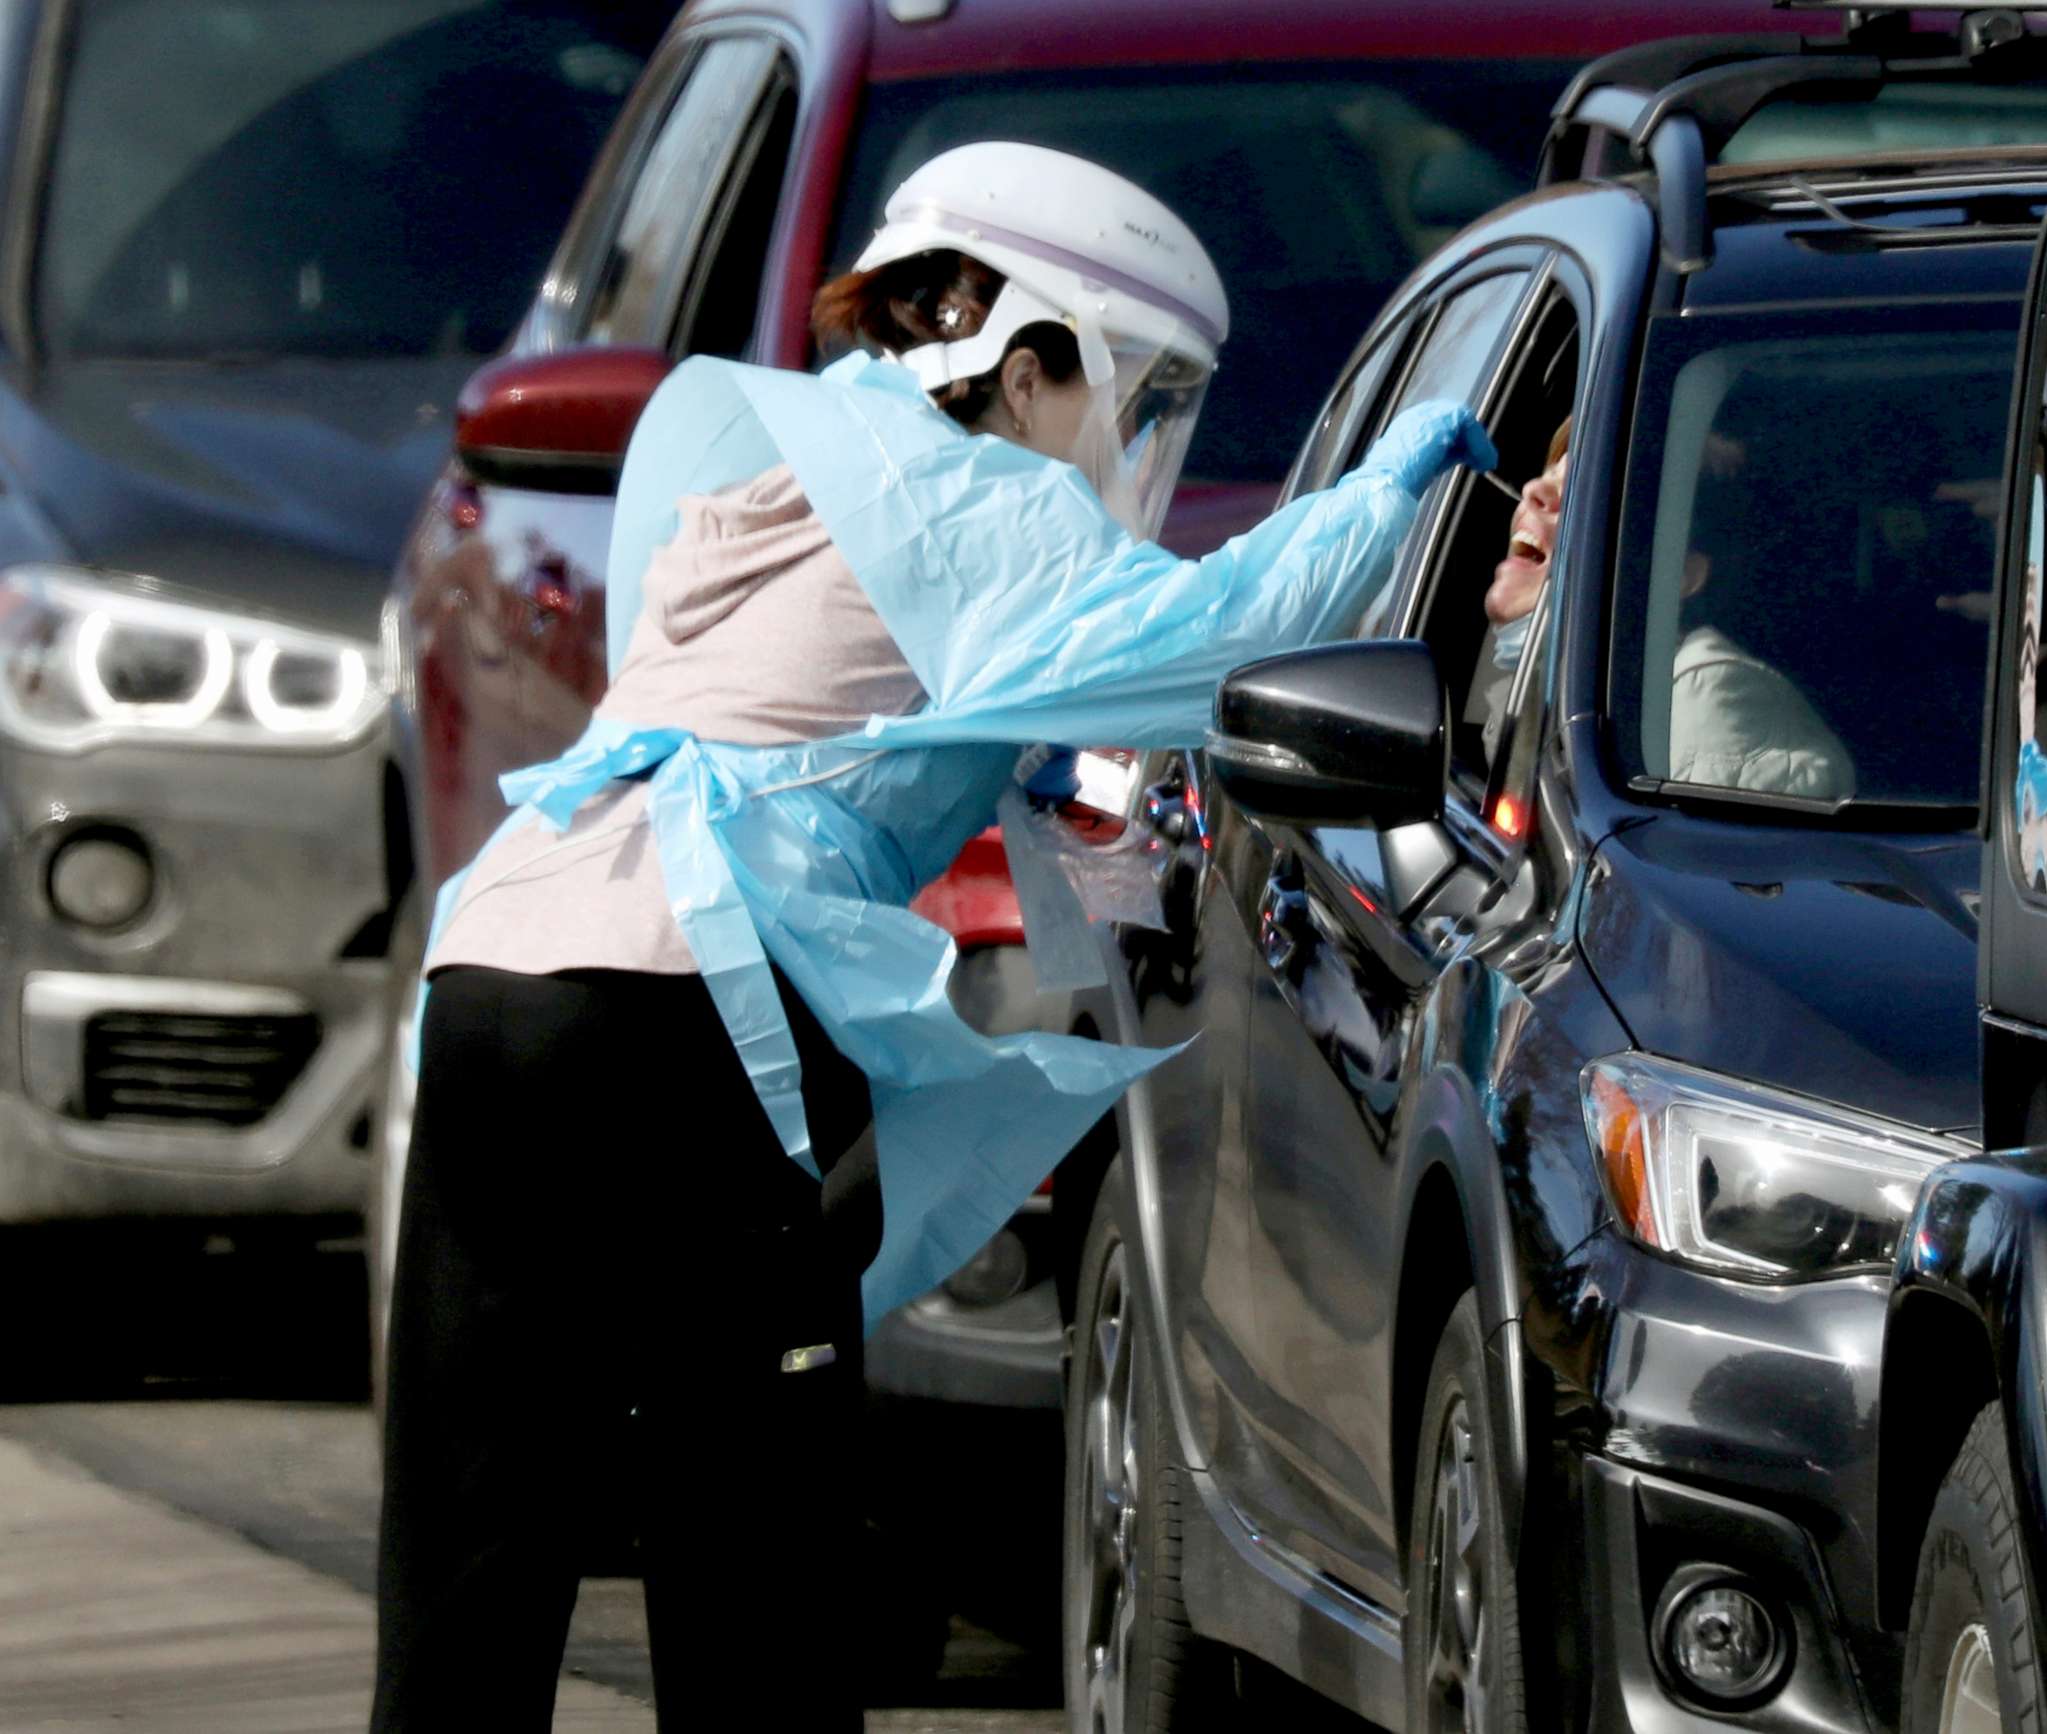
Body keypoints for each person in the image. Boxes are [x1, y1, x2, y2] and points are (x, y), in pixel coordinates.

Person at [370, 141, 1492, 1733]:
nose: (1121, 436)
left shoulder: (792, 465)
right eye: (1130, 385)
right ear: (1029, 352)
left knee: (470, 1564)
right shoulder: (991, 497)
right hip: (687, 1006)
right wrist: (1396, 494)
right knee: (752, 1565)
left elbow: (794, 701)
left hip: (498, 972)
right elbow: (1224, 638)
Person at [1482, 420, 1853, 799]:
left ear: (1678, 574)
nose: (1533, 489)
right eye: (1550, 474)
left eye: (1583, 492)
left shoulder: (1703, 695)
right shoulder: (1576, 690)